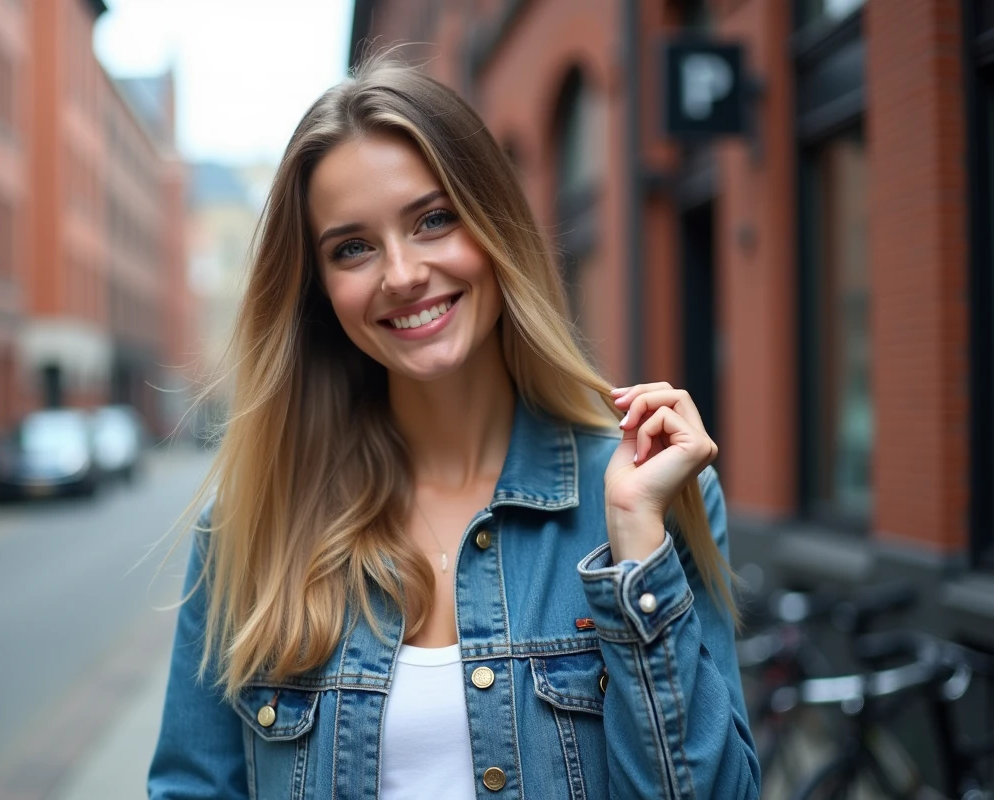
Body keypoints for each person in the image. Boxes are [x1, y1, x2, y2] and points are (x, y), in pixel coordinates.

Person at [149, 55, 760, 800]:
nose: (402, 273)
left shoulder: (642, 498)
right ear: (320, 294)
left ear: (494, 225)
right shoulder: (252, 527)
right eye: (353, 247)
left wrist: (634, 553)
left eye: (433, 219)